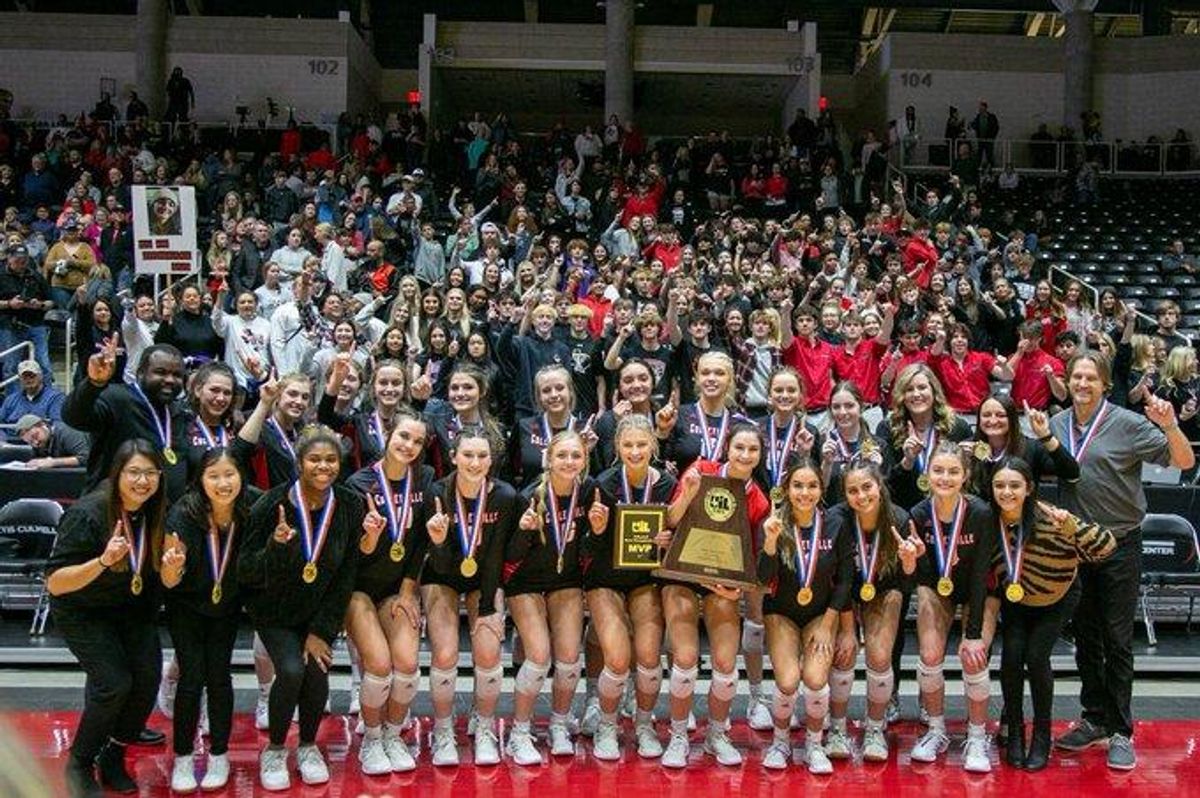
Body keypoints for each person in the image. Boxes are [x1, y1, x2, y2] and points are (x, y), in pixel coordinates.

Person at [1050, 353, 1194, 770]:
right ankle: (1094, 718)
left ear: (1105, 384)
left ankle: (1120, 731)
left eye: (1090, 377)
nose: (1082, 383)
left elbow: (1185, 461)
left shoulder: (1128, 424)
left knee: (1116, 640)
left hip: (1119, 543)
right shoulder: (1057, 424)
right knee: (1086, 639)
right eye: (1076, 375)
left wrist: (1169, 425)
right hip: (1077, 545)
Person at [237, 425, 365, 791]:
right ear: (299, 463)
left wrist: (321, 631)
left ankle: (308, 747)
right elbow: (245, 569)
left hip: (317, 612)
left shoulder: (349, 505)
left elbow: (345, 573)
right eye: (314, 459)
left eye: (330, 460)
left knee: (317, 674)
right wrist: (277, 548)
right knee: (291, 671)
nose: (323, 467)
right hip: (273, 610)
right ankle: (275, 749)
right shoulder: (270, 504)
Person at [46, 441, 169, 798]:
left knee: (147, 680)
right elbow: (55, 582)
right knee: (113, 684)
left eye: (150, 473)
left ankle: (114, 755)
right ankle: (80, 762)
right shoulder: (89, 513)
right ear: (117, 475)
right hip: (83, 610)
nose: (142, 481)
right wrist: (102, 561)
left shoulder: (156, 510)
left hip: (131, 609)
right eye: (134, 472)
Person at [989, 457, 1115, 771]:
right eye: (1000, 485)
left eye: (1015, 485)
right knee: (1011, 657)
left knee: (1036, 655)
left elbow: (1106, 546)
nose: (1007, 492)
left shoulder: (1052, 517)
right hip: (1017, 599)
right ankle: (1015, 731)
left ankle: (1042, 734)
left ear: (1029, 488)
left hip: (1057, 597)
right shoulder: (989, 520)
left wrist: (1072, 526)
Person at [659, 422, 771, 768]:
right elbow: (671, 520)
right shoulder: (701, 469)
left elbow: (751, 557)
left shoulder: (759, 499)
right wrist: (691, 492)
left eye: (752, 450)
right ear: (727, 447)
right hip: (683, 575)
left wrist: (736, 587)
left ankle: (717, 735)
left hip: (722, 583)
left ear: (759, 455)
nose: (745, 455)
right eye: (739, 448)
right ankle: (679, 735)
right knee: (686, 659)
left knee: (725, 664)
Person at [417, 429, 520, 767]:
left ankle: (486, 726)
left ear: (491, 460)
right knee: (445, 653)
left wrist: (490, 608)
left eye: (482, 456)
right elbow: (439, 563)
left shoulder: (504, 496)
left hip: (484, 579)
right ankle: (444, 731)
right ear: (453, 457)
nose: (475, 463)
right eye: (468, 455)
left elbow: (495, 557)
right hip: (442, 576)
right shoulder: (436, 493)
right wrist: (440, 540)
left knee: (488, 653)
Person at [344, 411, 434, 775]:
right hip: (358, 589)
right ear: (387, 435)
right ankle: (372, 740)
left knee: (408, 665)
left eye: (416, 441)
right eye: (403, 437)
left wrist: (409, 592)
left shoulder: (425, 480)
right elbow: (350, 554)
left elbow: (419, 547)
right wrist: (370, 539)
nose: (408, 445)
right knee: (379, 665)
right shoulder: (358, 484)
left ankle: (393, 735)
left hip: (398, 588)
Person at [162, 447, 254, 792]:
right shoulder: (182, 515)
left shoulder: (250, 508)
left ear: (241, 477)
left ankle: (219, 754)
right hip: (186, 604)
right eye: (213, 476)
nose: (223, 483)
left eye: (229, 475)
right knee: (191, 678)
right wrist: (170, 570)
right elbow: (170, 580)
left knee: (219, 677)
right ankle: (184, 758)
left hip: (226, 606)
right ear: (200, 481)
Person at [585, 415, 675, 759]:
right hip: (605, 578)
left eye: (641, 445)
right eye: (628, 445)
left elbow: (681, 536)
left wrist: (670, 539)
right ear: (616, 447)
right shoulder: (602, 484)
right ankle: (607, 727)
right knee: (619, 659)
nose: (635, 451)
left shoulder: (667, 484)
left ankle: (643, 725)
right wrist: (597, 530)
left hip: (645, 580)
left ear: (653, 445)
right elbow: (587, 551)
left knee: (650, 657)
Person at [757, 460, 854, 774]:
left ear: (821, 490)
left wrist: (829, 626)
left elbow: (845, 580)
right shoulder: (774, 523)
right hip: (780, 611)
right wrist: (770, 543)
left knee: (814, 678)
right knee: (787, 681)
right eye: (798, 485)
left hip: (820, 613)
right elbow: (762, 579)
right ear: (787, 489)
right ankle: (781, 742)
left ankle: (814, 744)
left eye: (812, 486)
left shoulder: (836, 523)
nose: (805, 492)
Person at [907, 442, 998, 772]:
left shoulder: (982, 513)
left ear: (966, 476)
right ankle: (936, 731)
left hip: (979, 590)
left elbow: (979, 575)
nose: (945, 477)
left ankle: (976, 735)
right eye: (938, 470)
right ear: (927, 473)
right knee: (930, 655)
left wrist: (972, 634)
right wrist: (918, 559)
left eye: (953, 471)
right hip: (938, 588)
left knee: (972, 656)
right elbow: (926, 576)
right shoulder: (918, 514)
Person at [506, 430, 594, 764]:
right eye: (562, 455)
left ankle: (559, 723)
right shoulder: (528, 496)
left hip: (566, 581)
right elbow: (510, 554)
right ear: (548, 459)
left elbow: (594, 546)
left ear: (584, 460)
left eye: (576, 456)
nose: (569, 462)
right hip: (526, 582)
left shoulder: (589, 493)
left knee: (570, 657)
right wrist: (525, 531)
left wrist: (597, 531)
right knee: (540, 657)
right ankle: (519, 731)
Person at [823, 460, 919, 762]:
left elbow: (906, 583)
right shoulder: (836, 519)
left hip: (885, 590)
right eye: (852, 490)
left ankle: (875, 729)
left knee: (879, 655)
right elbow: (837, 579)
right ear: (844, 494)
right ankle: (837, 728)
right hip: (844, 594)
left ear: (880, 487)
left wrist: (909, 561)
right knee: (843, 652)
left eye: (867, 487)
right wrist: (849, 630)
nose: (861, 496)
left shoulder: (900, 519)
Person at [63, 338, 190, 500]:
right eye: (160, 372)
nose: (170, 380)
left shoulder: (179, 412)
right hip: (112, 511)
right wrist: (93, 384)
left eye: (177, 375)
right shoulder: (116, 398)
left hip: (159, 516)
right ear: (140, 373)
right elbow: (74, 418)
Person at [970, 394, 1078, 500]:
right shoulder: (969, 448)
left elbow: (1071, 473)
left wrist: (1046, 436)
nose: (993, 421)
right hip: (980, 516)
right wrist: (963, 460)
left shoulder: (1031, 448)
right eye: (986, 415)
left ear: (1012, 419)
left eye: (1001, 415)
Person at [0, 244, 55, 383]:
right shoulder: (1, 276)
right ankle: (13, 401)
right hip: (10, 325)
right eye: (17, 260)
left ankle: (47, 398)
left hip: (35, 323)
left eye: (24, 260)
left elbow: (51, 301)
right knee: (11, 366)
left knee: (43, 364)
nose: (21, 263)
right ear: (9, 259)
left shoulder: (35, 276)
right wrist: (9, 304)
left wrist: (40, 304)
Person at [13, 413, 89, 469]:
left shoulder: (67, 433)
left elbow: (87, 458)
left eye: (35, 436)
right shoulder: (39, 443)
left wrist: (53, 462)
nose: (36, 443)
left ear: (43, 425)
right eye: (30, 442)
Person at [0, 360, 64, 426]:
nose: (28, 380)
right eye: (24, 377)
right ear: (20, 379)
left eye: (32, 376)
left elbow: (57, 425)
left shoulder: (55, 398)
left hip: (42, 435)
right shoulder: (10, 400)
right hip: (10, 435)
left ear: (41, 376)